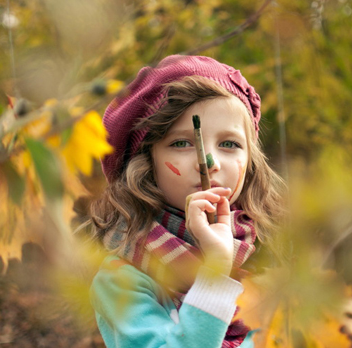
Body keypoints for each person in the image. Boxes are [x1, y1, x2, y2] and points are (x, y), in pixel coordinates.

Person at [89, 55, 285, 348]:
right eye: (181, 143)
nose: (209, 163)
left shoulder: (268, 266)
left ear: (251, 161)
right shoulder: (121, 282)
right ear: (146, 163)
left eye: (229, 144)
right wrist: (215, 271)